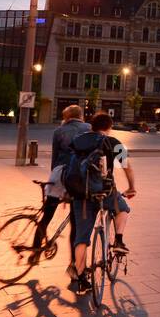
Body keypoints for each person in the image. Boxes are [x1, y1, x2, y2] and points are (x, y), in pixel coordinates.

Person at [67, 112, 136, 294]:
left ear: (92, 126)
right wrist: (131, 187)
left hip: (80, 194)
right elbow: (127, 166)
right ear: (109, 127)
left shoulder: (78, 140)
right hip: (105, 192)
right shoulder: (113, 142)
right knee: (123, 209)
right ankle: (119, 241)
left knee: (81, 239)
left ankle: (81, 280)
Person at [33, 105, 91, 257]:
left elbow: (55, 157)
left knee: (47, 215)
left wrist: (56, 180)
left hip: (58, 176)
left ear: (66, 117)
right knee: (75, 222)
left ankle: (35, 251)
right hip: (77, 178)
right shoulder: (88, 128)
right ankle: (74, 262)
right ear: (81, 115)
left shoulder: (58, 131)